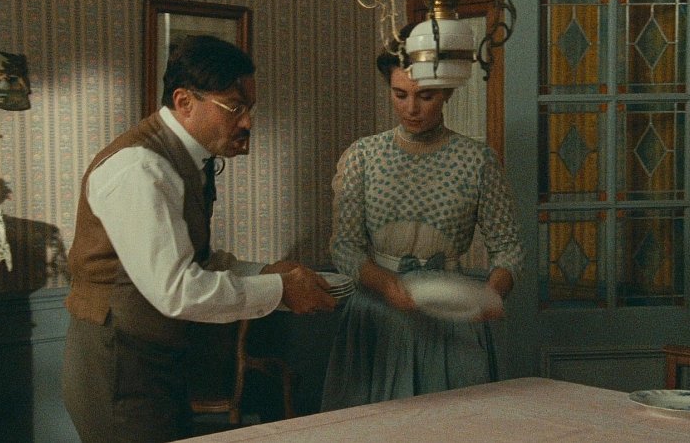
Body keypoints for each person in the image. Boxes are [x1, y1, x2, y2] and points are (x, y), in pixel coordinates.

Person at [62, 35, 336, 443]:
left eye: (250, 108)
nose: (247, 122)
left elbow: (193, 260)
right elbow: (178, 290)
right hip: (119, 367)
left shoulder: (191, 159)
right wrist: (280, 289)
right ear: (184, 102)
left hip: (156, 361)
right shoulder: (140, 169)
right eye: (235, 107)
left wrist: (267, 271)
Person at [320, 24, 524, 411]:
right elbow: (345, 247)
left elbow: (509, 248)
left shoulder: (477, 160)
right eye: (400, 94)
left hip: (451, 318)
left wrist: (492, 293)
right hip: (378, 319)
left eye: (425, 96)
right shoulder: (363, 157)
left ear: (446, 92)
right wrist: (387, 286)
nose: (411, 108)